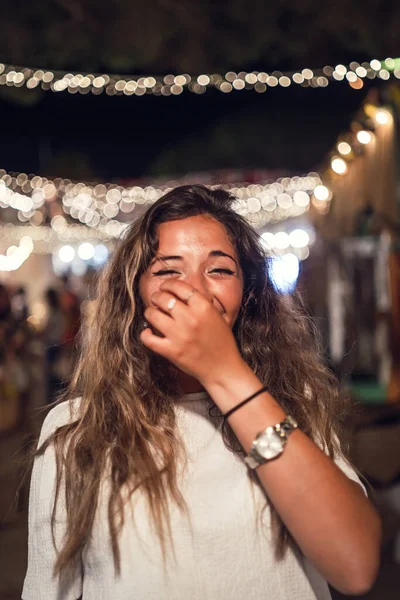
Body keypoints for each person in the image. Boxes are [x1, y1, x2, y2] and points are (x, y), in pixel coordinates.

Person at [23, 185, 381, 600]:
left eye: (220, 270)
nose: (193, 290)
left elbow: (355, 566)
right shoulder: (79, 429)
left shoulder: (290, 405)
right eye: (168, 270)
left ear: (247, 296)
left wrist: (226, 373)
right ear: (134, 295)